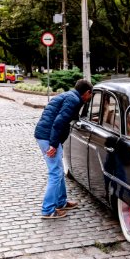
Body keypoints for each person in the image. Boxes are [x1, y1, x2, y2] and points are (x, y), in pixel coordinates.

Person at [35, 79, 93, 219]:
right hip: (48, 137)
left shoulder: (71, 97)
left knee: (59, 171)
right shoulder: (73, 100)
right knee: (55, 173)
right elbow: (58, 122)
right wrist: (54, 145)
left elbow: (67, 116)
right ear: (87, 93)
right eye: (90, 95)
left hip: (45, 134)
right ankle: (48, 210)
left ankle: (61, 202)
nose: (90, 98)